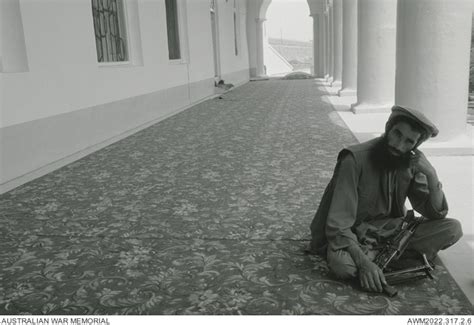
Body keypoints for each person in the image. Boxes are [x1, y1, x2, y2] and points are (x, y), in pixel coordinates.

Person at [307, 105, 463, 293]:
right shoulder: (353, 159)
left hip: (390, 230)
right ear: (388, 127)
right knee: (344, 267)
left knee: (452, 229)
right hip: (352, 235)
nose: (399, 146)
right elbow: (338, 226)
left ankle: (379, 258)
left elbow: (434, 213)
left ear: (416, 145)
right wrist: (364, 262)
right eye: (397, 134)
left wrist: (431, 174)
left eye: (409, 142)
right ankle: (390, 258)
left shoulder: (409, 162)